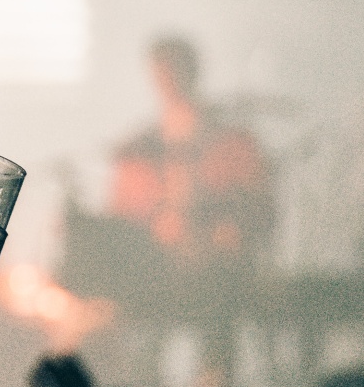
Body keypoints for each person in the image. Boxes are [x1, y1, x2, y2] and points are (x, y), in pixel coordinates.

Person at [109, 36, 274, 264]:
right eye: (162, 72)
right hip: (152, 267)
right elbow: (120, 219)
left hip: (220, 267)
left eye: (174, 69)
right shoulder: (138, 151)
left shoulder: (234, 145)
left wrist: (223, 232)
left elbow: (260, 212)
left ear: (191, 72)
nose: (169, 78)